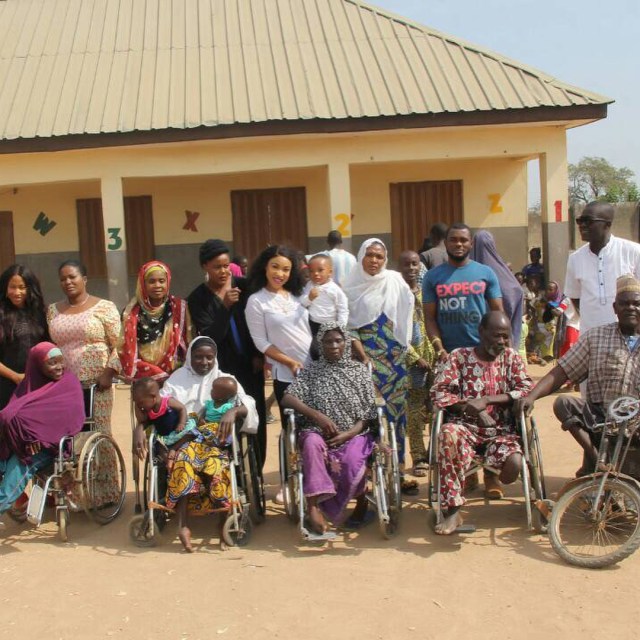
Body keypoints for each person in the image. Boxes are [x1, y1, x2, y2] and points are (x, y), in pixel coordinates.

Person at [135, 336, 258, 552]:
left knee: (216, 466)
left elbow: (248, 403)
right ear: (190, 356)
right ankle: (183, 525)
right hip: (183, 438)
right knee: (183, 462)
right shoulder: (176, 380)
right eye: (198, 357)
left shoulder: (224, 378)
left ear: (215, 358)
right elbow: (154, 407)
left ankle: (223, 522)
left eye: (209, 357)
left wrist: (233, 410)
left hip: (214, 441)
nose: (204, 362)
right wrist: (139, 429)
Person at [516, 275, 640, 477]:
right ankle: (597, 458)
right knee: (563, 403)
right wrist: (531, 396)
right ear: (615, 308)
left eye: (637, 303)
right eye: (624, 303)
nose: (631, 308)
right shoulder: (596, 337)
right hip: (602, 420)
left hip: (635, 426)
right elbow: (562, 371)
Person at [431, 312, 533, 534]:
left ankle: (498, 475)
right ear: (481, 332)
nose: (502, 342)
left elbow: (525, 389)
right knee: (448, 433)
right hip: (464, 429)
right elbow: (439, 392)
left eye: (506, 337)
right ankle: (453, 512)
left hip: (501, 433)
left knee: (514, 463)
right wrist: (471, 409)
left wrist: (487, 400)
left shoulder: (511, 358)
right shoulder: (459, 358)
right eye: (497, 336)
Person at [281, 323, 378, 532]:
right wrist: (317, 416)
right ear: (320, 344)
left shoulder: (360, 372)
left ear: (346, 343)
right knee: (311, 445)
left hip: (354, 432)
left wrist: (349, 434)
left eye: (338, 340)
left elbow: (370, 415)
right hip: (316, 431)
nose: (333, 345)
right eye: (328, 341)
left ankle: (362, 502)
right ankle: (313, 506)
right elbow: (287, 398)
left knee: (352, 461)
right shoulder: (312, 371)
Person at [344, 238, 417, 494]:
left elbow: (408, 314)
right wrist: (364, 359)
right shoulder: (350, 288)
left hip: (396, 362)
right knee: (370, 418)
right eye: (370, 255)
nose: (374, 261)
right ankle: (372, 472)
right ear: (361, 256)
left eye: (379, 256)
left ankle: (398, 469)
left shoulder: (395, 281)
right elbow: (348, 327)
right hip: (365, 362)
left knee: (397, 417)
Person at [47, 260, 122, 504]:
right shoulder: (53, 311)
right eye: (63, 279)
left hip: (96, 384)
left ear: (85, 278)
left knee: (99, 433)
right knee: (68, 439)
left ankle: (107, 494)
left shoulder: (105, 307)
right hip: (64, 387)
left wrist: (109, 373)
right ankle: (74, 494)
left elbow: (120, 344)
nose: (67, 282)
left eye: (72, 277)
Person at [187, 239, 266, 466]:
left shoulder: (244, 285)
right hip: (222, 369)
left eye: (225, 266)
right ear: (205, 267)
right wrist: (224, 307)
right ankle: (232, 472)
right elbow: (210, 336)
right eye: (216, 267)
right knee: (223, 417)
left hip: (250, 365)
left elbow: (256, 324)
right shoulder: (198, 298)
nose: (223, 271)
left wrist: (258, 354)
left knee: (254, 413)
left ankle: (256, 470)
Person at [246, 245, 312, 503]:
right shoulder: (257, 301)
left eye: (286, 269)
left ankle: (315, 478)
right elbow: (262, 343)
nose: (280, 273)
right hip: (287, 375)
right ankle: (289, 481)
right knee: (291, 429)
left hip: (314, 371)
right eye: (275, 267)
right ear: (265, 266)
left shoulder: (298, 295)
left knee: (315, 429)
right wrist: (291, 362)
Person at [0, 342, 85, 515]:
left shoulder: (69, 384)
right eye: (51, 363)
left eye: (61, 361)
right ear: (37, 365)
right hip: (19, 443)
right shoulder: (28, 385)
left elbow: (69, 418)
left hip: (48, 447)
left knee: (17, 470)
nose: (59, 367)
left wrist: (35, 436)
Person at [423, 223, 503, 359]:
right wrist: (440, 350)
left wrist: (500, 346)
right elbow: (429, 318)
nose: (458, 244)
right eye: (453, 240)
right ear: (445, 243)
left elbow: (498, 312)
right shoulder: (431, 276)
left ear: (471, 244)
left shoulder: (486, 273)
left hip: (482, 351)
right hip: (448, 354)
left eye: (463, 240)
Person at [565, 201, 640, 334]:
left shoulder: (633, 252)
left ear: (607, 224)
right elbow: (575, 297)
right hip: (591, 336)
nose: (582, 225)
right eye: (580, 221)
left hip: (629, 336)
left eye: (588, 221)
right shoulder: (575, 259)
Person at [120, 260, 192, 382]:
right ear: (143, 284)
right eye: (151, 281)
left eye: (161, 281)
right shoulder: (131, 312)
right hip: (142, 377)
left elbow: (187, 343)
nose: (157, 285)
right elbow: (124, 348)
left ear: (168, 282)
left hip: (174, 376)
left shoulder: (179, 308)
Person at [398, 250, 435, 478]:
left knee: (438, 406)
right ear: (398, 267)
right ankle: (418, 457)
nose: (411, 268)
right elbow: (394, 331)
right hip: (411, 361)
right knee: (414, 410)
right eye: (406, 264)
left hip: (434, 357)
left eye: (415, 264)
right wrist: (414, 357)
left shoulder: (428, 291)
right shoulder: (395, 294)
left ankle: (434, 453)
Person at [0, 265, 49, 409]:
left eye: (22, 287)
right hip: (6, 386)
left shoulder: (41, 313)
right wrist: (16, 377)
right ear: (5, 288)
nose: (17, 292)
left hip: (37, 384)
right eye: (12, 287)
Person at [471, 230, 524, 349]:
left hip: (474, 341)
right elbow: (517, 294)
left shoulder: (468, 275)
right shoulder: (508, 278)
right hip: (504, 341)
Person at [300, 254, 349, 341]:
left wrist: (341, 327)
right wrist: (309, 298)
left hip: (330, 324)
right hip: (313, 323)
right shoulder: (309, 285)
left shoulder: (334, 289)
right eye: (311, 271)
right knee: (315, 347)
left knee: (329, 347)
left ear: (330, 272)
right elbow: (302, 303)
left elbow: (343, 309)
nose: (315, 274)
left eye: (320, 270)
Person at [544, 281, 580, 359]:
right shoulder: (581, 300)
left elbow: (558, 312)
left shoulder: (567, 299)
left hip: (570, 329)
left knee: (567, 353)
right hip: (578, 329)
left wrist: (552, 309)